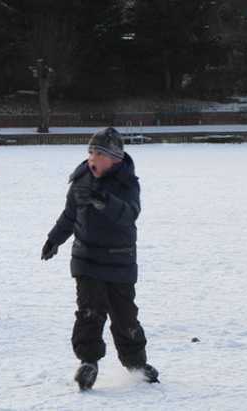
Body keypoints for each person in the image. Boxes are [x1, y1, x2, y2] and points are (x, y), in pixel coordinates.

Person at [41, 127, 159, 390]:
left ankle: (135, 363)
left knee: (125, 317)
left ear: (115, 158)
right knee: (89, 312)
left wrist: (104, 200)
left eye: (99, 153)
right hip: (87, 259)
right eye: (90, 151)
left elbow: (130, 213)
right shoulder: (82, 178)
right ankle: (88, 362)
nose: (92, 157)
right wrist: (54, 239)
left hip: (119, 261)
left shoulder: (127, 183)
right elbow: (70, 214)